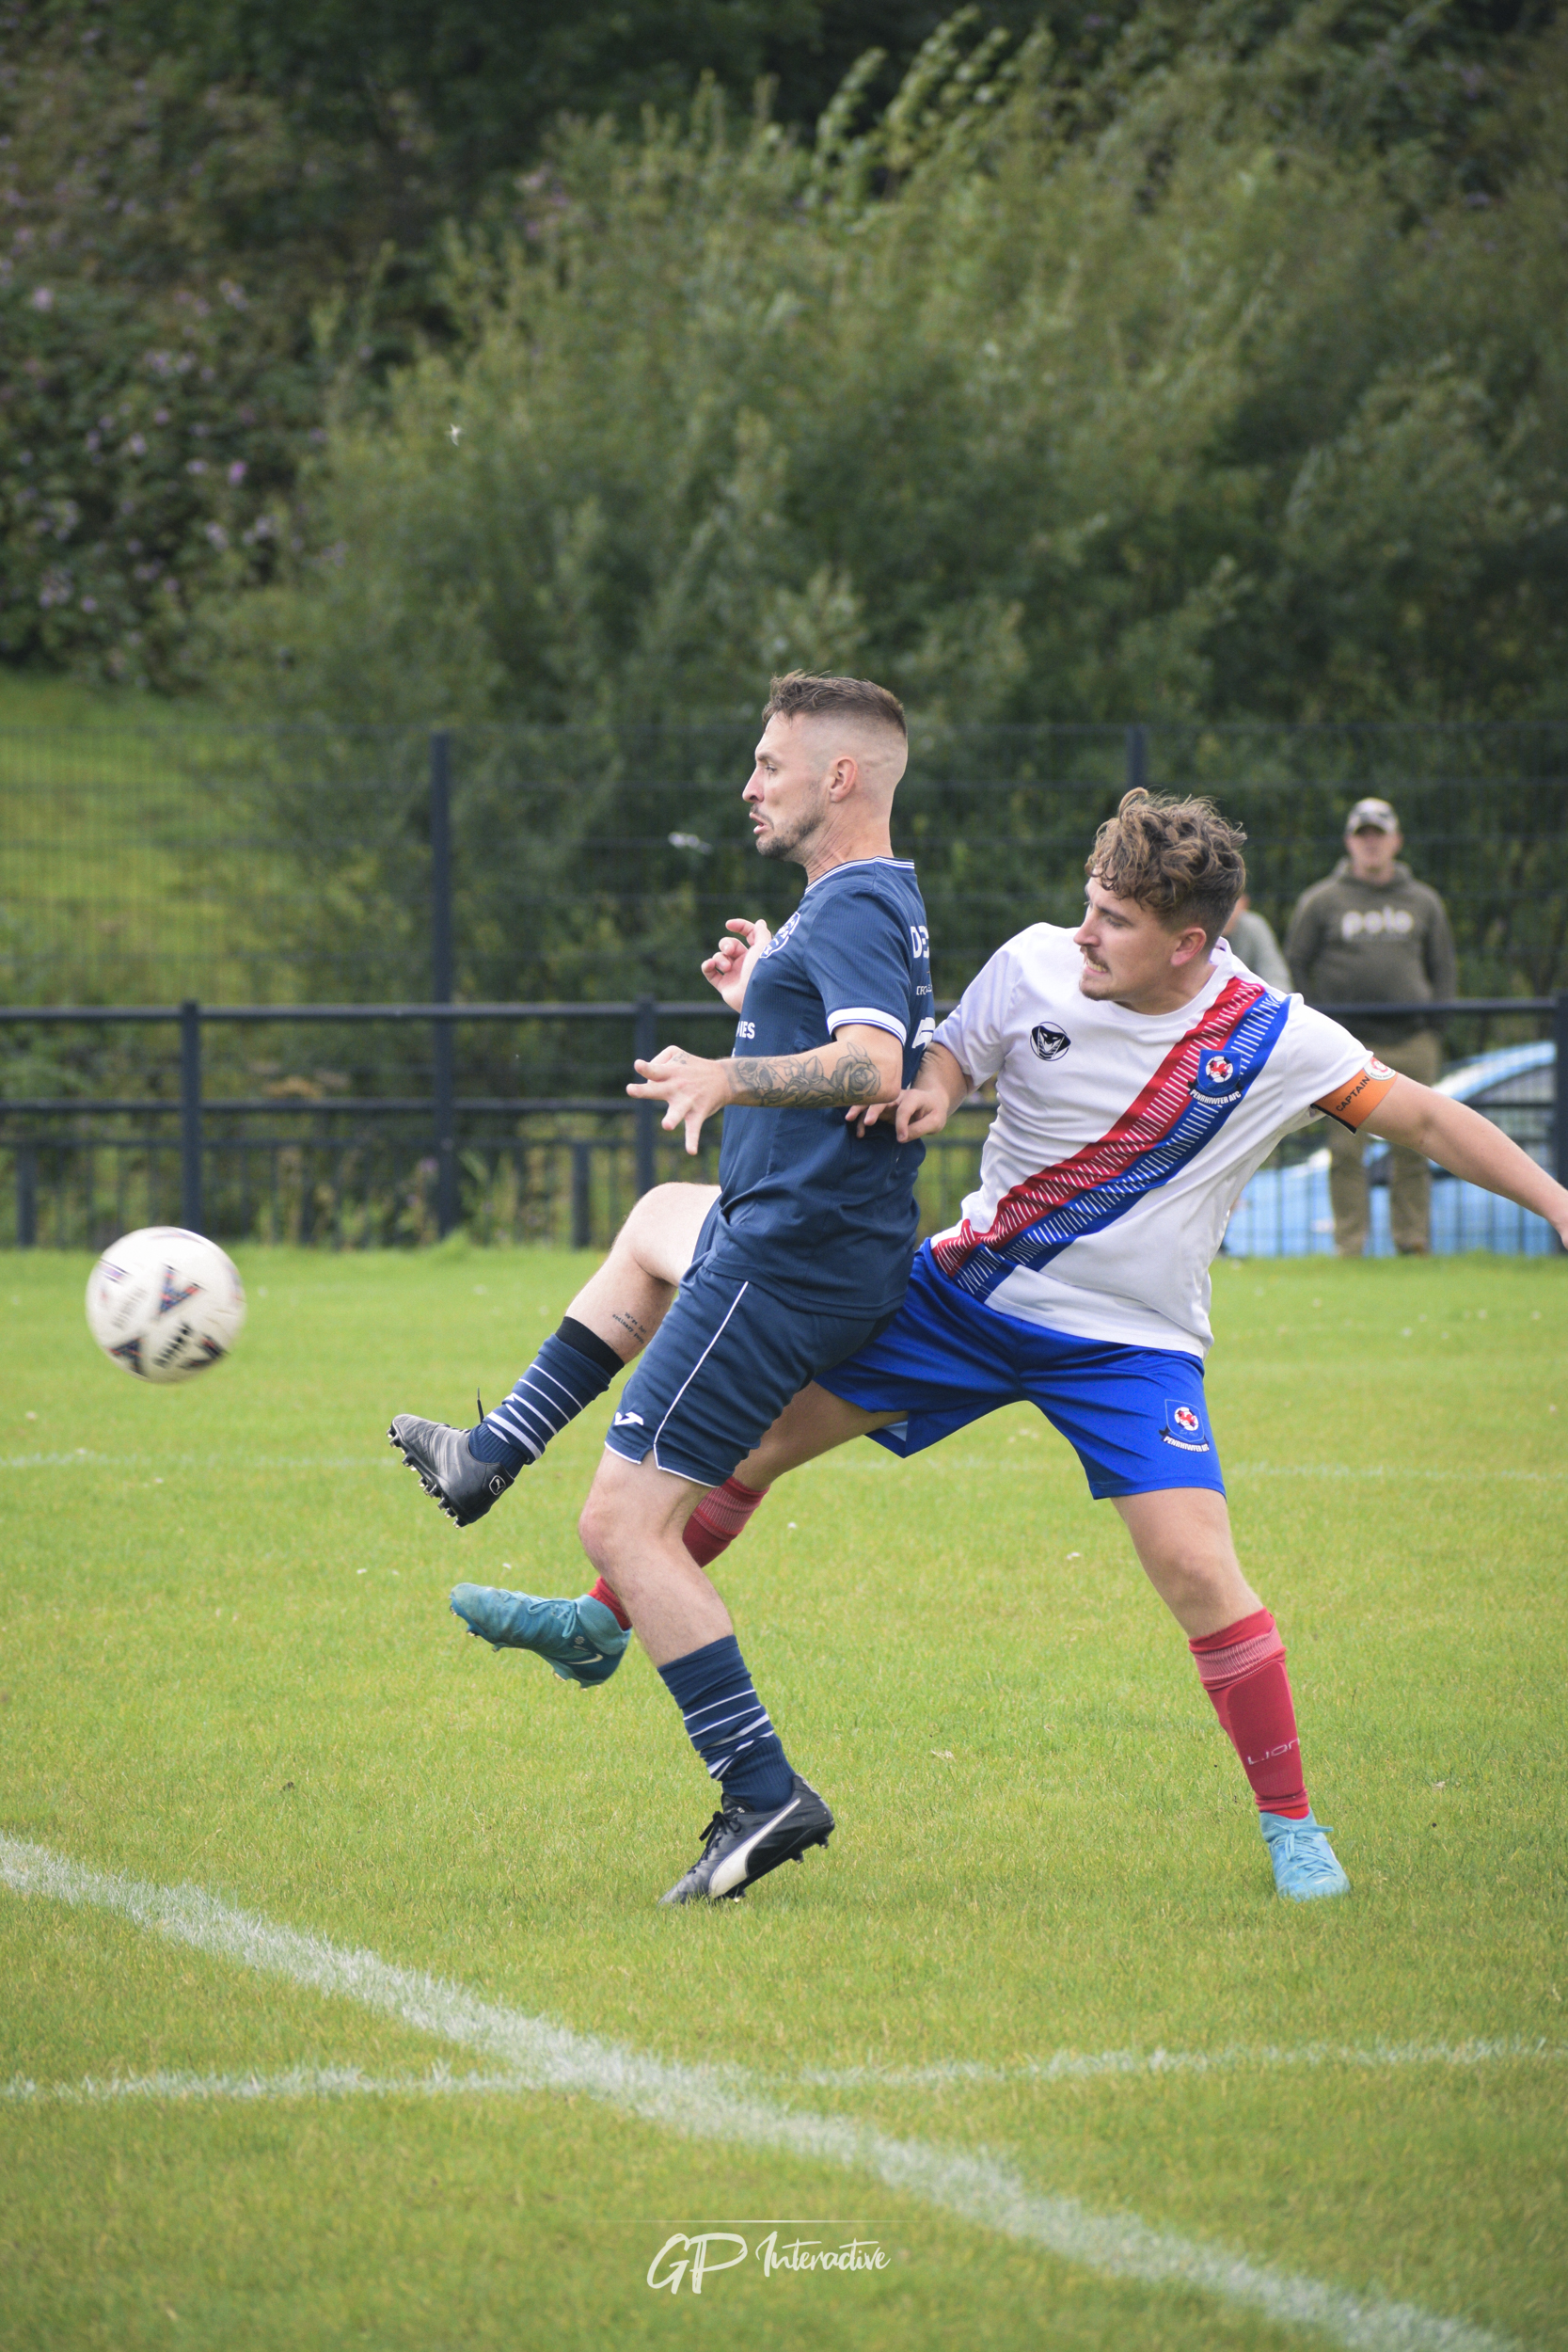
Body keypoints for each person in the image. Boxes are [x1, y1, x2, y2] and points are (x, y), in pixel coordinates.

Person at [458, 790, 1568, 1905]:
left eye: (1114, 922)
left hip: (1127, 1352)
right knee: (744, 1448)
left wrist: (1555, 1203)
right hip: (960, 1297)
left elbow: (1424, 1118)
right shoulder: (1034, 962)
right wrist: (934, 1093)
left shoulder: (1273, 1038)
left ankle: (1293, 1829)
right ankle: (599, 1625)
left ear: (1190, 943)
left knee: (1194, 1567)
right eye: (1086, 905)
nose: (1082, 933)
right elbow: (940, 1060)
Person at [391, 670, 934, 1904]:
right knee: (649, 1221)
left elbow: (868, 1065)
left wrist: (728, 1074)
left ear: (837, 777)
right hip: (815, 1244)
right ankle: (488, 1454)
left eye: (768, 765)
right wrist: (761, 1005)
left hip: (783, 1265)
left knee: (620, 1530)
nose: (748, 786)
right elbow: (850, 1037)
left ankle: (759, 1789)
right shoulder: (868, 902)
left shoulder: (848, 904)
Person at [1284, 797, 1458, 1256]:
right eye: (1363, 835)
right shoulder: (1321, 901)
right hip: (1346, 1045)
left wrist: (1434, 1025)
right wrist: (1315, 1022)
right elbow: (1296, 961)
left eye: (1379, 834)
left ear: (1396, 841)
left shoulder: (1423, 901)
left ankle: (1413, 1241)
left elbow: (1443, 967)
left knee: (1418, 1144)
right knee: (1344, 1150)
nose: (1371, 844)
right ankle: (1350, 1245)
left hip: (1412, 1038)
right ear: (1349, 842)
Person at [1223, 893, 1291, 992]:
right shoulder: (1196, 929)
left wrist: (1277, 1004)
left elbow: (1274, 974)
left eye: (1229, 901)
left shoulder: (1254, 927)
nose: (1222, 907)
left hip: (1247, 1001)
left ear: (1244, 903)